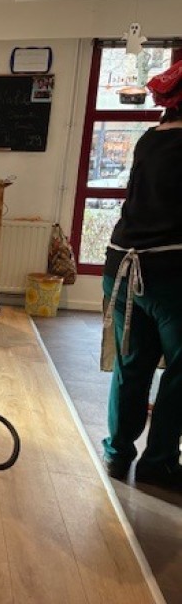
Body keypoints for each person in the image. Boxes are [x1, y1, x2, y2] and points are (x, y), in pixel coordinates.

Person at [102, 59, 182, 491]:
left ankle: (117, 453)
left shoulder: (149, 140)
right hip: (172, 273)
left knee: (131, 364)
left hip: (122, 264)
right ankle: (159, 462)